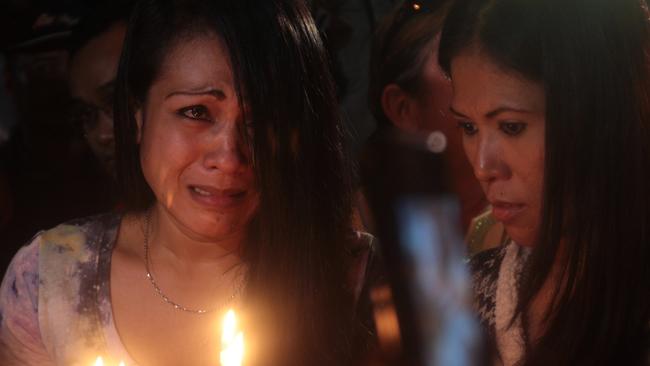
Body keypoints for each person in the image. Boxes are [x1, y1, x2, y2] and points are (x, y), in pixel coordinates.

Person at [0, 0, 372, 365]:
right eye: (196, 112)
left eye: (265, 120)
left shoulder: (351, 278)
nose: (229, 156)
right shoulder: (51, 283)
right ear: (138, 114)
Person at [438, 0, 650, 364]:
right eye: (468, 127)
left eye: (511, 126)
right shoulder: (466, 298)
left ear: (601, 115)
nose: (483, 167)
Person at [366, 0, 493, 248]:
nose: (484, 71)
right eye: (448, 63)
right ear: (401, 108)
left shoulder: (527, 213)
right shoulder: (357, 236)